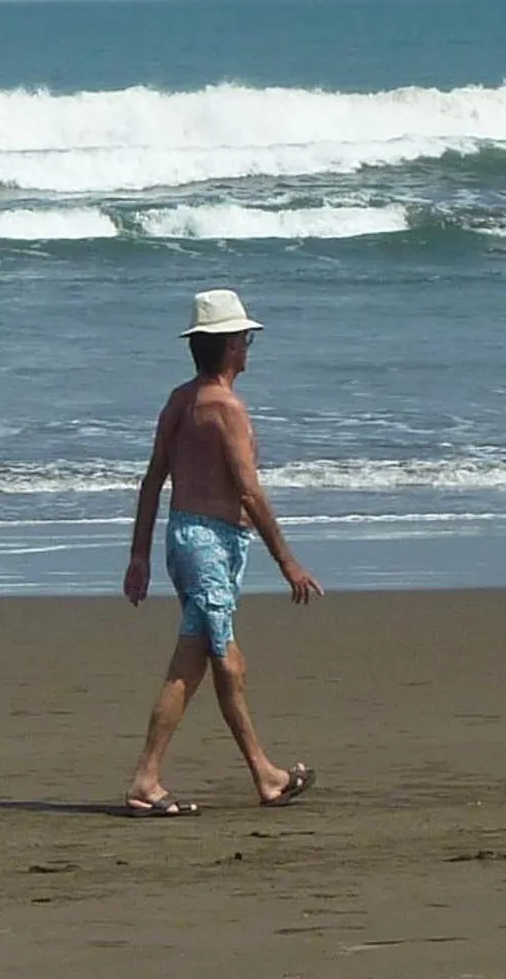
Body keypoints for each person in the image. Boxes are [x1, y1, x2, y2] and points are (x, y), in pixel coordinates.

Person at [119, 289, 322, 816]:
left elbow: (151, 482)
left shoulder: (179, 401)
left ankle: (171, 777)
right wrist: (289, 563)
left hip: (194, 539)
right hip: (207, 544)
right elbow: (250, 492)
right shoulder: (225, 408)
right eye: (244, 339)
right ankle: (259, 776)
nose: (249, 347)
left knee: (198, 663)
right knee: (225, 664)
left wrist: (140, 555)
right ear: (230, 346)